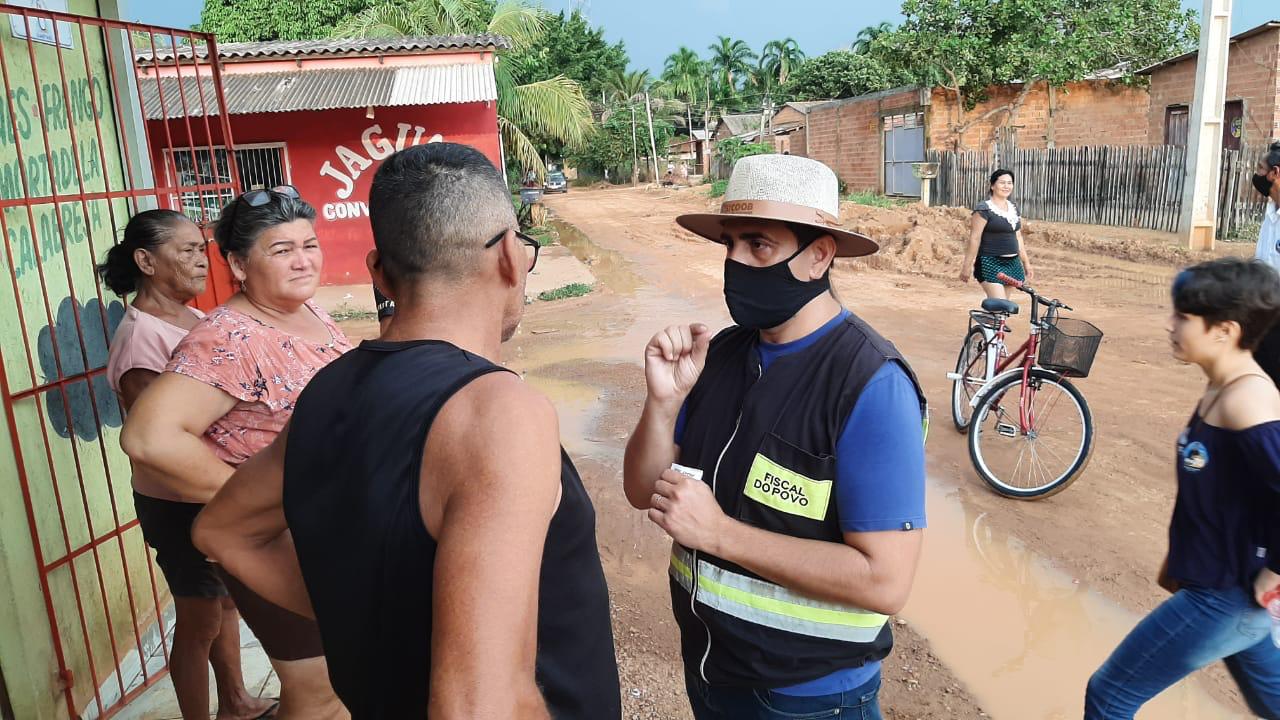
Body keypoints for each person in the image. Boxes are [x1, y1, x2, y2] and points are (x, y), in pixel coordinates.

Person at [191, 143, 622, 719]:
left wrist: (363, 622)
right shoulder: (499, 413)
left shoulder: (328, 390)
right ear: (511, 259)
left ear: (378, 271)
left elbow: (223, 531)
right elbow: (475, 708)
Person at [624, 154, 927, 719]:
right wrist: (662, 406)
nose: (736, 262)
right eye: (730, 244)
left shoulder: (871, 384)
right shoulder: (722, 357)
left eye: (758, 245)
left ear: (819, 255)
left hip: (811, 698)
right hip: (713, 673)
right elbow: (645, 492)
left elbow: (885, 581)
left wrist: (719, 533)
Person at [121, 186, 351, 720]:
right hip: (273, 540)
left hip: (317, 532)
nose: (302, 260)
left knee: (341, 681)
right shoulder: (232, 336)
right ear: (240, 265)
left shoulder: (305, 310)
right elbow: (149, 438)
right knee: (317, 691)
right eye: (281, 250)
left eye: (309, 245)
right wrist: (251, 503)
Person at [1085, 257, 1280, 719]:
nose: (1170, 325)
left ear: (1224, 330)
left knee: (1109, 695)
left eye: (1183, 317)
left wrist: (1275, 571)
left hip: (1224, 595)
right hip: (1220, 585)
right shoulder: (1220, 387)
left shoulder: (1247, 400)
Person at [100, 210, 276, 720]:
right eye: (187, 250)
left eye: (203, 248)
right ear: (145, 261)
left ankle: (237, 702)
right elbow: (158, 437)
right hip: (178, 501)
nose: (202, 260)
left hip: (214, 493)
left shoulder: (196, 320)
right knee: (199, 619)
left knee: (224, 606)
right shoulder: (140, 340)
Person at [960, 169, 1034, 301]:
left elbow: (1018, 237)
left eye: (1009, 183)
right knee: (1000, 305)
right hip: (990, 262)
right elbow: (974, 239)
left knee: (1003, 310)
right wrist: (967, 267)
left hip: (1013, 263)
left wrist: (1026, 263)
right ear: (992, 186)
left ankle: (987, 321)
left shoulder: (1013, 208)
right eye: (1002, 183)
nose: (1006, 186)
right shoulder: (984, 209)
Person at [1251, 141, 1280, 385]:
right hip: (1264, 322)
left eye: (1261, 169)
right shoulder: (1271, 212)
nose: (1256, 175)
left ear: (1275, 173)